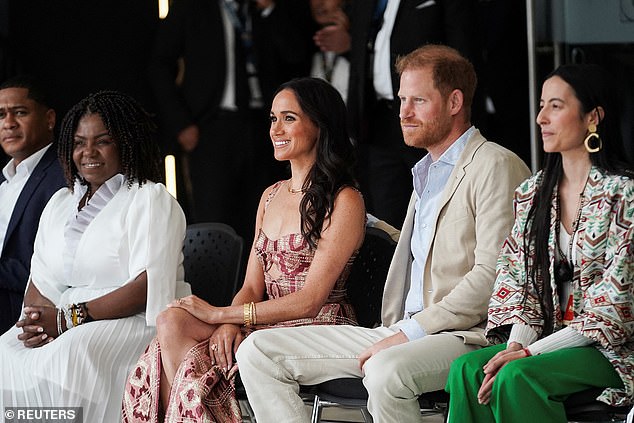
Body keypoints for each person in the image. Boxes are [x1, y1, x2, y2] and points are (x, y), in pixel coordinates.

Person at [236, 45, 530, 422]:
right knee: (257, 351)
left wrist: (412, 331)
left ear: (455, 101)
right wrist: (366, 223)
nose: (404, 113)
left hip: (464, 334)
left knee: (386, 371)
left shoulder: (494, 164)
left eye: (418, 101)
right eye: (402, 100)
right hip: (400, 328)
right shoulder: (426, 171)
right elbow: (427, 248)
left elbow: (491, 277)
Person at [122, 77, 366, 422]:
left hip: (319, 327)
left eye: (289, 118)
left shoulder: (345, 199)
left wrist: (222, 315)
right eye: (272, 118)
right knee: (171, 321)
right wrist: (227, 327)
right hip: (264, 321)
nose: (276, 129)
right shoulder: (270, 195)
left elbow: (311, 299)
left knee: (186, 345)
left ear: (320, 125)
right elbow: (252, 287)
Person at [445, 64, 634, 422]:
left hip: (615, 351)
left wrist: (530, 354)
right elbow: (519, 286)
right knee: (468, 371)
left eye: (556, 106)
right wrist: (517, 345)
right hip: (547, 342)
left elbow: (615, 306)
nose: (541, 117)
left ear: (593, 116)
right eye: (542, 105)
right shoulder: (533, 193)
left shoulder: (624, 194)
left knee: (517, 376)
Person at [0, 90, 190, 422]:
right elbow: (41, 280)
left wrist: (66, 320)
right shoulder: (61, 203)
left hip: (130, 322)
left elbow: (146, 287)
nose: (88, 152)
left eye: (102, 141)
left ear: (126, 143)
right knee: (6, 349)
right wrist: (36, 323)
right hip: (67, 322)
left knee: (72, 354)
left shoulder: (149, 198)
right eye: (78, 142)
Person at [148, 0, 313, 245]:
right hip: (212, 127)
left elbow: (297, 56)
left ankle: (258, 282)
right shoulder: (192, 7)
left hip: (266, 127)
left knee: (266, 215)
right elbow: (158, 65)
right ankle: (217, 282)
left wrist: (270, 11)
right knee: (214, 219)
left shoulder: (268, 8)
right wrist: (181, 124)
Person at [315, 0, 480, 228]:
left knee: (440, 210)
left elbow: (463, 53)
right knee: (387, 218)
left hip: (431, 120)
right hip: (376, 120)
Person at [0, 76, 65, 333]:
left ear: (49, 119)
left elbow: (50, 267)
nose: (8, 123)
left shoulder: (64, 175)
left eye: (19, 112)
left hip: (23, 307)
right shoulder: (4, 181)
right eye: (1, 115)